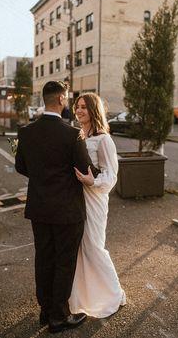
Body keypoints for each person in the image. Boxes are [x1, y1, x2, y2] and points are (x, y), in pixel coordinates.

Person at [15, 81, 99, 334]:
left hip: (39, 208)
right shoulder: (72, 133)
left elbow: (21, 167)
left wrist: (42, 176)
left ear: (44, 99)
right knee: (64, 261)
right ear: (61, 99)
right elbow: (84, 169)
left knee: (44, 259)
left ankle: (45, 311)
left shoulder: (26, 132)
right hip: (66, 210)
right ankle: (59, 317)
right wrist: (98, 172)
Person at [69, 92, 126, 318]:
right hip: (76, 199)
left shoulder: (104, 139)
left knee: (94, 246)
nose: (79, 110)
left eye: (83, 107)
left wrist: (93, 181)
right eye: (77, 106)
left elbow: (111, 176)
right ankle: (84, 297)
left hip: (95, 199)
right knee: (80, 250)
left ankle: (114, 293)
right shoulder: (78, 136)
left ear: (93, 110)